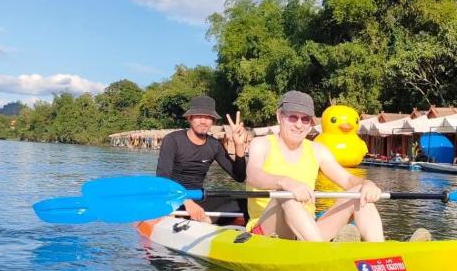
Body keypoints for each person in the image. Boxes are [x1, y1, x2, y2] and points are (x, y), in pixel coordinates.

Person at [244, 91, 388, 242]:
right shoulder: (261, 144)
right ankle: (322, 252)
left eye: (305, 119)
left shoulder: (317, 150)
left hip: (308, 229)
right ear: (280, 116)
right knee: (285, 193)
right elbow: (253, 175)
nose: (299, 125)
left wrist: (368, 184)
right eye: (293, 117)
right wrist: (286, 182)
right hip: (268, 230)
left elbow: (347, 180)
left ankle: (379, 252)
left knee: (360, 193)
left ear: (311, 123)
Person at [156, 95, 249, 223]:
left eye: (208, 117)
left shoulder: (214, 145)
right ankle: (204, 220)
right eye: (199, 116)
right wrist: (186, 201)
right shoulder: (172, 140)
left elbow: (239, 177)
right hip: (171, 197)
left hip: (198, 197)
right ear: (189, 118)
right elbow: (162, 180)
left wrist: (239, 145)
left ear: (213, 121)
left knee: (245, 202)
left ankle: (206, 221)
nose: (203, 121)